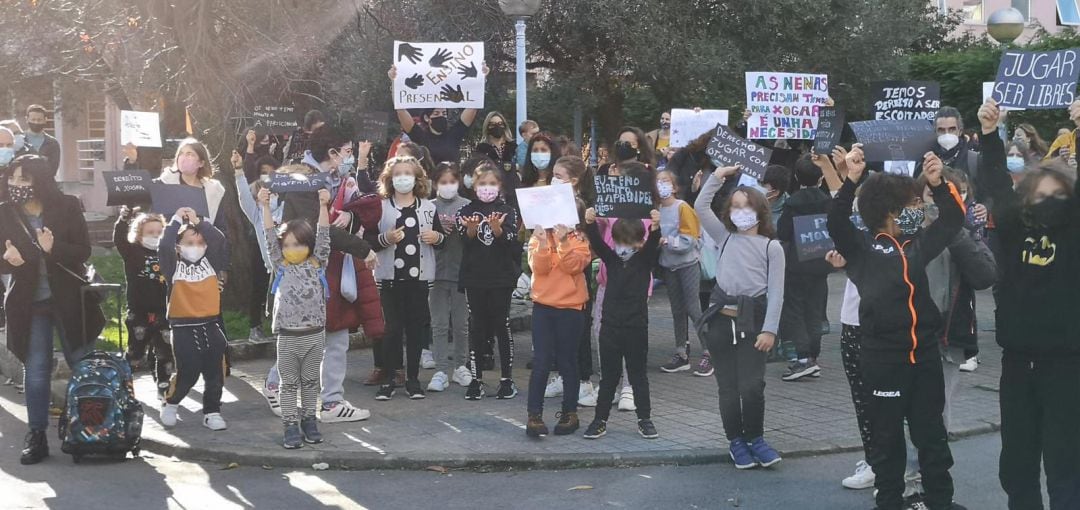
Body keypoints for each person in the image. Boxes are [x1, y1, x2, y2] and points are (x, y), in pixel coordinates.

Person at [828, 144, 965, 510]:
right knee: (887, 442)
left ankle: (941, 502)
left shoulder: (918, 245)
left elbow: (953, 220)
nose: (920, 211)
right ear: (892, 212)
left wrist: (937, 185)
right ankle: (889, 502)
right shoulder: (862, 250)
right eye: (914, 205)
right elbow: (836, 223)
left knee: (931, 437)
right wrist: (850, 181)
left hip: (924, 357)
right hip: (882, 361)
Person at [979, 98, 1080, 510]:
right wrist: (989, 134)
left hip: (1067, 365)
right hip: (1017, 363)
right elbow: (997, 186)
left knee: (1065, 464)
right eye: (1041, 193)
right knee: (1016, 464)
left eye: (1059, 194)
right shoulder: (1012, 229)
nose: (1048, 200)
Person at [896, 168, 996, 507]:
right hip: (907, 335)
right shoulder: (906, 231)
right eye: (932, 194)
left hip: (947, 336)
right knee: (905, 411)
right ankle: (906, 483)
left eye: (950, 194)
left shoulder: (965, 232)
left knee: (937, 416)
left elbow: (985, 275)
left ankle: (929, 483)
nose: (937, 202)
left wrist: (953, 230)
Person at [0, 155, 94, 465]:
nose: (17, 186)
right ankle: (37, 435)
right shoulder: (5, 213)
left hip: (69, 300)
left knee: (81, 364)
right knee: (37, 371)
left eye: (24, 180)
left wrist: (54, 250)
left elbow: (84, 250)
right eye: (12, 179)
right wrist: (7, 258)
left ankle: (88, 430)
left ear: (40, 180)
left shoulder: (66, 205)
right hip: (31, 304)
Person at [694, 164, 785, 469]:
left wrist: (770, 330)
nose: (740, 212)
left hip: (753, 325)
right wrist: (718, 176)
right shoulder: (725, 237)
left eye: (746, 206)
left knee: (752, 385)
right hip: (721, 323)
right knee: (728, 388)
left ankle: (756, 438)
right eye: (735, 207)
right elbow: (700, 206)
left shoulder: (772, 247)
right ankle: (736, 441)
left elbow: (777, 292)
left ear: (760, 211)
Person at [366, 155, 446, 400]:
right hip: (389, 279)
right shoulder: (380, 207)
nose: (403, 179)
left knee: (415, 330)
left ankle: (413, 379)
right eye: (398, 174)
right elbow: (369, 241)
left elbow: (442, 239)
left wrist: (437, 237)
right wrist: (385, 239)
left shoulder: (428, 207)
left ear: (417, 178)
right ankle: (390, 378)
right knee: (391, 330)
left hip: (419, 280)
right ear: (390, 179)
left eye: (408, 174)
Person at [259, 185, 332, 449]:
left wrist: (324, 206)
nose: (293, 248)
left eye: (299, 243)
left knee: (311, 382)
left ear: (309, 245)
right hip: (288, 337)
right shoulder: (280, 264)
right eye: (287, 244)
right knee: (289, 384)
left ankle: (309, 420)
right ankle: (290, 424)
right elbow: (268, 236)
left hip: (314, 335)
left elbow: (324, 235)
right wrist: (265, 206)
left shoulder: (317, 262)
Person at [581, 207, 662, 441]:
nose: (622, 247)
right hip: (610, 328)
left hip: (636, 328)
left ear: (639, 242)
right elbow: (597, 241)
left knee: (638, 376)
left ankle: (645, 419)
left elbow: (653, 244)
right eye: (618, 242)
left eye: (628, 243)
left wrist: (656, 227)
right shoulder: (612, 260)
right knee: (608, 377)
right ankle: (600, 420)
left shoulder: (644, 261)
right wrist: (589, 222)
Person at [159, 205, 230, 432]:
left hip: (211, 324)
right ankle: (171, 402)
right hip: (183, 328)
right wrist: (176, 221)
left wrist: (199, 222)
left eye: (200, 243)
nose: (196, 247)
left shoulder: (212, 263)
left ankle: (211, 411)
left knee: (215, 372)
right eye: (190, 243)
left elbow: (219, 240)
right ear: (179, 247)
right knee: (188, 372)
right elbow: (164, 245)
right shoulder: (174, 267)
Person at [456, 162, 522, 400]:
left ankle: (507, 379)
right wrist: (472, 230)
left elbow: (511, 241)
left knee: (501, 325)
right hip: (475, 277)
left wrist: (498, 230)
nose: (487, 188)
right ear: (474, 186)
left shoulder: (508, 210)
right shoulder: (466, 211)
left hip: (501, 278)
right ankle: (476, 379)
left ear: (500, 186)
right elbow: (465, 239)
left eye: (492, 184)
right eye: (482, 184)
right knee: (477, 326)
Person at [525, 216, 592, 437]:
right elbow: (538, 268)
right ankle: (534, 416)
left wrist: (563, 242)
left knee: (567, 360)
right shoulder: (538, 236)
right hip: (543, 306)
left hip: (571, 307)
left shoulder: (579, 238)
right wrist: (544, 243)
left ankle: (569, 413)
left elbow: (574, 266)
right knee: (542, 361)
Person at [776, 155, 832, 381]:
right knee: (815, 309)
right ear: (821, 178)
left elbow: (783, 232)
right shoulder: (828, 200)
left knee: (795, 309)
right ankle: (814, 357)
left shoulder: (793, 202)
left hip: (797, 264)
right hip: (821, 262)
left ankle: (802, 357)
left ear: (796, 177)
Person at [550, 156, 599, 405]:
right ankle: (562, 374)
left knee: (579, 329)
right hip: (553, 274)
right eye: (554, 175)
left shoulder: (585, 207)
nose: (554, 179)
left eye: (559, 176)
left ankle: (584, 380)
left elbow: (590, 243)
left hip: (579, 273)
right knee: (558, 330)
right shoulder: (551, 203)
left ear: (575, 180)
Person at [654, 170, 708, 375]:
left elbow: (690, 240)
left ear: (675, 187)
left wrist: (666, 241)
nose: (662, 186)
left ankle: (708, 352)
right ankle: (681, 352)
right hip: (669, 266)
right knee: (677, 310)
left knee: (694, 308)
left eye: (665, 182)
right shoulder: (657, 210)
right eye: (658, 182)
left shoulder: (683, 208)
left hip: (687, 264)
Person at [114, 206, 172, 399]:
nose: (155, 236)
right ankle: (123, 383)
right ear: (139, 235)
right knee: (136, 351)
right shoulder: (132, 252)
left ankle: (164, 385)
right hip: (139, 311)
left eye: (159, 232)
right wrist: (123, 219)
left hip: (164, 310)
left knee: (164, 350)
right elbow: (119, 239)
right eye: (150, 232)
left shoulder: (168, 252)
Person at [427, 162, 472, 392]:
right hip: (434, 275)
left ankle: (461, 366)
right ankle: (441, 369)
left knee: (461, 323)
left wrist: (461, 228)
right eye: (443, 182)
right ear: (435, 184)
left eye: (452, 181)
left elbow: (474, 242)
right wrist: (435, 232)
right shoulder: (428, 206)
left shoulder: (467, 206)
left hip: (461, 274)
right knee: (439, 324)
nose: (448, 186)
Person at [156, 138, 228, 232]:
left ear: (201, 163)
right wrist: (132, 161)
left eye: (189, 154)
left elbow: (220, 228)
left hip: (201, 244)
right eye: (181, 153)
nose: (183, 157)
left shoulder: (214, 191)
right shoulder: (164, 183)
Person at [931, 106, 978, 178]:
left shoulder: (974, 160)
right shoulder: (927, 161)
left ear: (960, 131)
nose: (947, 134)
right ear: (935, 133)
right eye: (941, 130)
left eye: (952, 129)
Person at [22, 105, 60, 174]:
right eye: (33, 120)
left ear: (45, 120)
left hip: (45, 182)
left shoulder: (52, 143)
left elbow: (53, 169)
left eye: (39, 120)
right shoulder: (19, 140)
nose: (36, 122)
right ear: (27, 119)